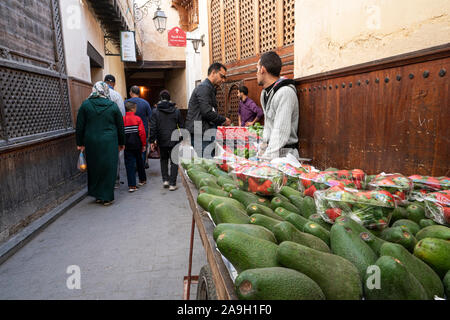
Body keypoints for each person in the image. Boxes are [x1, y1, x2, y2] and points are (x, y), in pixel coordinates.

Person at [76, 81, 125, 206]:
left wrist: (80, 143)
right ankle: (107, 197)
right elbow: (120, 126)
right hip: (109, 141)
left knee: (94, 167)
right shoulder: (113, 106)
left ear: (94, 90)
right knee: (109, 167)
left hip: (91, 141)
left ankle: (98, 195)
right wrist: (121, 142)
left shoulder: (85, 105)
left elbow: (80, 126)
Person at [256, 51, 299, 160]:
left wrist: (266, 160)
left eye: (257, 69)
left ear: (262, 69)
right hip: (271, 153)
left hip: (285, 156)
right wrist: (262, 150)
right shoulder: (264, 93)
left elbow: (280, 132)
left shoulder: (285, 92)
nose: (256, 73)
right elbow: (268, 125)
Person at [185, 62, 231, 158]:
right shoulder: (204, 88)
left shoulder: (209, 88)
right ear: (213, 72)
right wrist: (223, 120)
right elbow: (206, 112)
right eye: (221, 76)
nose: (223, 80)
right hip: (200, 133)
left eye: (224, 78)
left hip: (204, 131)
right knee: (207, 162)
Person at [149, 90, 184, 191]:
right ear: (169, 98)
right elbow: (181, 126)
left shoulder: (155, 111)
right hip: (174, 139)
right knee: (174, 161)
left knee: (163, 159)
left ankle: (165, 180)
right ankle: (172, 184)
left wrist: (152, 140)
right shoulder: (176, 111)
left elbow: (153, 127)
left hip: (161, 139)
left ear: (160, 98)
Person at [125, 85, 152, 168]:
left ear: (131, 92)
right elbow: (150, 118)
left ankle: (133, 166)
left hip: (128, 131)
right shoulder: (145, 103)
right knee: (143, 149)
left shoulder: (126, 103)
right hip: (143, 130)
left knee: (130, 149)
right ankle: (141, 166)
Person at [123, 101, 147, 192]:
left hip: (127, 146)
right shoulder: (137, 119)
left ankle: (132, 186)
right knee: (139, 162)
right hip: (137, 145)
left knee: (129, 165)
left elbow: (121, 133)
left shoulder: (123, 119)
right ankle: (142, 180)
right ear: (133, 109)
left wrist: (122, 144)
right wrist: (144, 144)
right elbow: (142, 133)